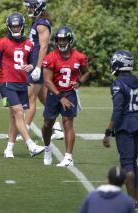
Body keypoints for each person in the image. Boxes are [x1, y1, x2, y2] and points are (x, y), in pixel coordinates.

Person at [0, 13, 44, 158]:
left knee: (14, 117)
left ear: (22, 26)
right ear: (9, 27)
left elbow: (33, 61)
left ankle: (9, 149)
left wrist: (31, 66)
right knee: (19, 112)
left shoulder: (29, 44)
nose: (16, 28)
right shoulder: (1, 43)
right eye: (13, 26)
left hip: (21, 83)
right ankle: (31, 146)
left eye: (18, 26)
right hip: (6, 83)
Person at [102, 50, 138, 209]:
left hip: (125, 126)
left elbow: (118, 110)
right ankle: (136, 199)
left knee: (127, 163)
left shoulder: (118, 84)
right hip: (136, 124)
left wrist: (108, 132)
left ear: (119, 64)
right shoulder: (137, 81)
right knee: (133, 162)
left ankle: (132, 202)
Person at [41, 26, 91, 166]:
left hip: (70, 92)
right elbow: (47, 81)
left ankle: (68, 157)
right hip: (54, 93)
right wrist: (60, 97)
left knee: (68, 122)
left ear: (70, 40)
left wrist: (80, 81)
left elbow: (87, 72)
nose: (62, 42)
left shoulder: (79, 57)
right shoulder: (51, 57)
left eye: (64, 40)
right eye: (59, 40)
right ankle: (47, 148)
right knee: (47, 124)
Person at [23, 0, 64, 140]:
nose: (29, 9)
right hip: (35, 64)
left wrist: (38, 68)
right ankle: (57, 128)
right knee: (44, 98)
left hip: (38, 64)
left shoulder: (41, 24)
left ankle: (23, 130)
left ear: (39, 7)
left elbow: (44, 47)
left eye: (31, 6)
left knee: (30, 98)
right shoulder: (37, 22)